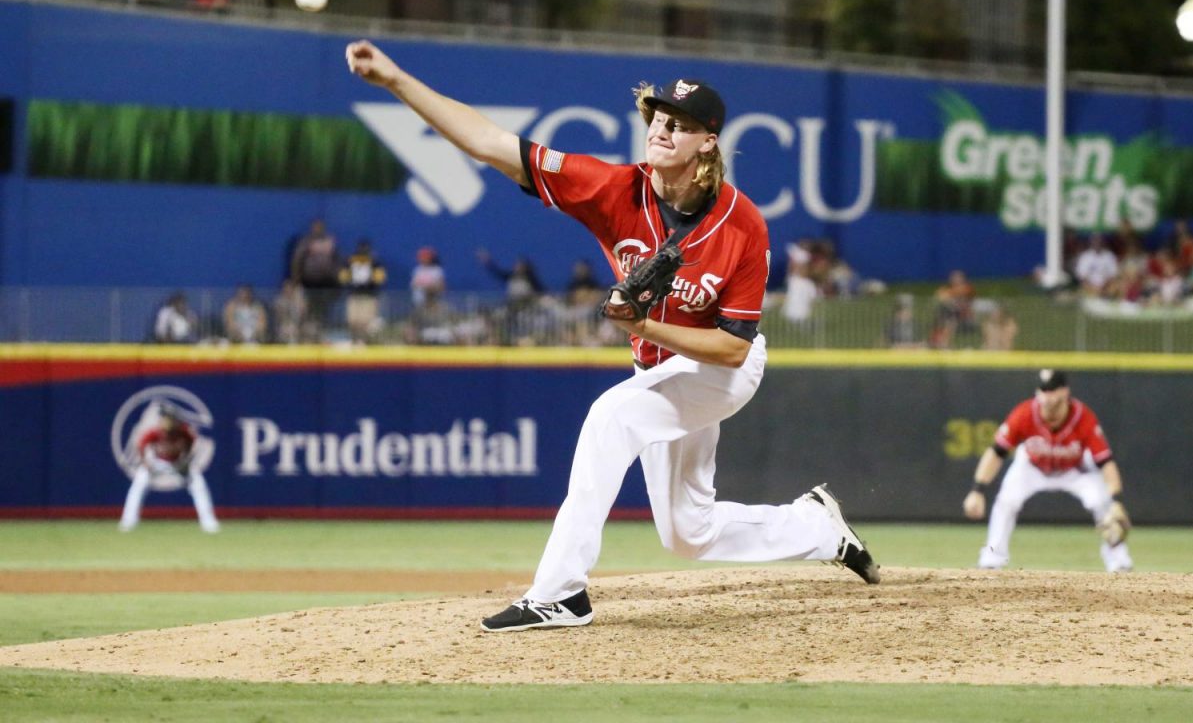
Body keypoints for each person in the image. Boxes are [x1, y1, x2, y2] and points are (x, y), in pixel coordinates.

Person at [346, 40, 881, 632]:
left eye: (679, 125)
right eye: (657, 117)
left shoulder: (742, 224)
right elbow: (490, 144)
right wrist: (395, 79)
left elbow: (732, 347)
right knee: (687, 533)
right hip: (659, 371)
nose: (661, 129)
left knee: (611, 417)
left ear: (708, 142)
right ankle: (816, 527)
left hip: (725, 369)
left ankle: (560, 593)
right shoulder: (612, 189)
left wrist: (645, 324)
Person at [962, 370, 1132, 573]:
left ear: (1065, 392)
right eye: (1044, 390)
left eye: (1052, 390)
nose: (1048, 396)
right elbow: (996, 452)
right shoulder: (1025, 413)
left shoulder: (1083, 417)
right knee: (1007, 500)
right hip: (1032, 468)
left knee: (1102, 503)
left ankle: (1120, 563)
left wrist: (1117, 500)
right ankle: (991, 561)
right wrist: (977, 490)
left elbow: (1106, 462)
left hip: (1074, 470)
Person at [119, 404, 220, 533]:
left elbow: (192, 447)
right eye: (165, 419)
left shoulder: (184, 432)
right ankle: (128, 521)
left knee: (197, 481)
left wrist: (186, 462)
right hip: (157, 463)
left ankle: (208, 522)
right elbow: (141, 446)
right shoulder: (154, 432)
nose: (168, 422)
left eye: (170, 419)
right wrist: (145, 463)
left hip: (177, 464)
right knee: (140, 480)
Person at [290, 219, 340, 337]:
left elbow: (337, 260)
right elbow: (297, 260)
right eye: (316, 227)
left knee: (323, 310)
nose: (318, 229)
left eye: (320, 227)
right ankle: (307, 333)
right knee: (308, 309)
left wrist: (336, 278)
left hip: (327, 283)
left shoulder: (329, 241)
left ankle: (322, 331)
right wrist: (296, 280)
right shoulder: (306, 242)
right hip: (309, 282)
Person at [340, 239, 388, 343]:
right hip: (354, 295)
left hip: (368, 296)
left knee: (366, 322)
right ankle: (355, 340)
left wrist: (370, 278)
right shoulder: (350, 261)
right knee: (353, 321)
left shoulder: (374, 262)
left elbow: (380, 278)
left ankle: (365, 341)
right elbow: (342, 278)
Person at [1074, 233, 1120, 297]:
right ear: (1091, 242)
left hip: (1106, 286)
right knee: (1083, 287)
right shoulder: (1085, 256)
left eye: (1099, 241)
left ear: (1103, 242)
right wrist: (1092, 287)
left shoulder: (1110, 256)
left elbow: (1113, 274)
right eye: (1095, 241)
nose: (1097, 243)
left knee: (1115, 287)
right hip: (1089, 287)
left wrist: (1104, 286)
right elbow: (1081, 276)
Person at [272, 278, 309, 344]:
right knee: (289, 330)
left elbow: (304, 314)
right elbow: (280, 317)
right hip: (284, 325)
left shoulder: (298, 300)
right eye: (286, 288)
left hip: (299, 325)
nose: (288, 290)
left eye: (290, 288)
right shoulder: (279, 301)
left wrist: (299, 297)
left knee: (309, 330)